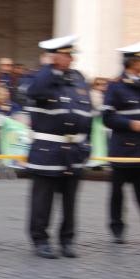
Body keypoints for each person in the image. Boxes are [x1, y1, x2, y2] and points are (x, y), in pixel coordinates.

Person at [25, 35, 93, 259]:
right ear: (54, 57)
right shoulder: (42, 78)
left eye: (71, 55)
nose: (71, 58)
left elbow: (87, 112)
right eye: (66, 55)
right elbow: (35, 92)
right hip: (48, 151)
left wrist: (87, 143)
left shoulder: (78, 78)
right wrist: (50, 68)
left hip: (74, 151)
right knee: (42, 201)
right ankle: (40, 240)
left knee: (70, 201)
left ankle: (67, 239)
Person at [102, 42, 140, 244]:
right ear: (132, 62)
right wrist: (131, 124)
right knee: (117, 193)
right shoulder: (115, 86)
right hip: (122, 149)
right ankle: (116, 227)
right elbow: (107, 118)